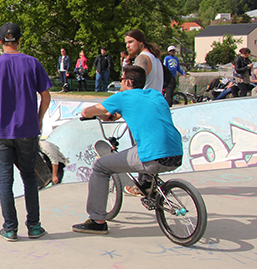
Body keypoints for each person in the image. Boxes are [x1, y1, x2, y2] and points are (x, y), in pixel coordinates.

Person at [73, 65, 183, 235]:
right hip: (176, 153)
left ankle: (97, 220)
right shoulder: (155, 95)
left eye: (122, 80)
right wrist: (112, 115)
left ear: (129, 81)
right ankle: (150, 188)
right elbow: (129, 113)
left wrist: (87, 113)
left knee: (101, 166)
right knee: (147, 149)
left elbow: (89, 111)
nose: (120, 83)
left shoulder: (122, 97)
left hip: (151, 156)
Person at [0, 22, 52, 241]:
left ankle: (10, 228)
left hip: (3, 132)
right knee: (29, 178)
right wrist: (39, 119)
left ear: (0, 42)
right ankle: (34, 226)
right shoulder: (33, 63)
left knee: (6, 181)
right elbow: (46, 96)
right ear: (19, 40)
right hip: (28, 130)